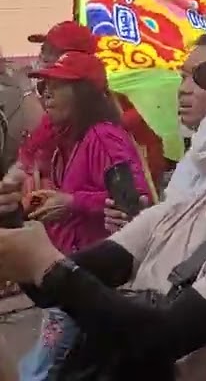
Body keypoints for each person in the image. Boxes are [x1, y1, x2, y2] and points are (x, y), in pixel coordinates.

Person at [0, 59, 206, 380]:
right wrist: (13, 223)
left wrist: (45, 263)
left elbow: (159, 339)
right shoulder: (179, 210)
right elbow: (59, 285)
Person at [9, 51, 152, 381]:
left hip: (92, 274)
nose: (46, 94)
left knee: (41, 371)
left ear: (83, 92)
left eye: (57, 86)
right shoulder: (74, 137)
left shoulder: (103, 135)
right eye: (44, 86)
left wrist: (74, 202)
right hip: (73, 268)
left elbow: (135, 201)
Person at [20, 21, 169, 185]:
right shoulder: (61, 117)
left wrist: (73, 202)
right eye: (43, 49)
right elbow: (32, 158)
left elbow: (136, 192)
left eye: (51, 51)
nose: (42, 57)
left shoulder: (113, 125)